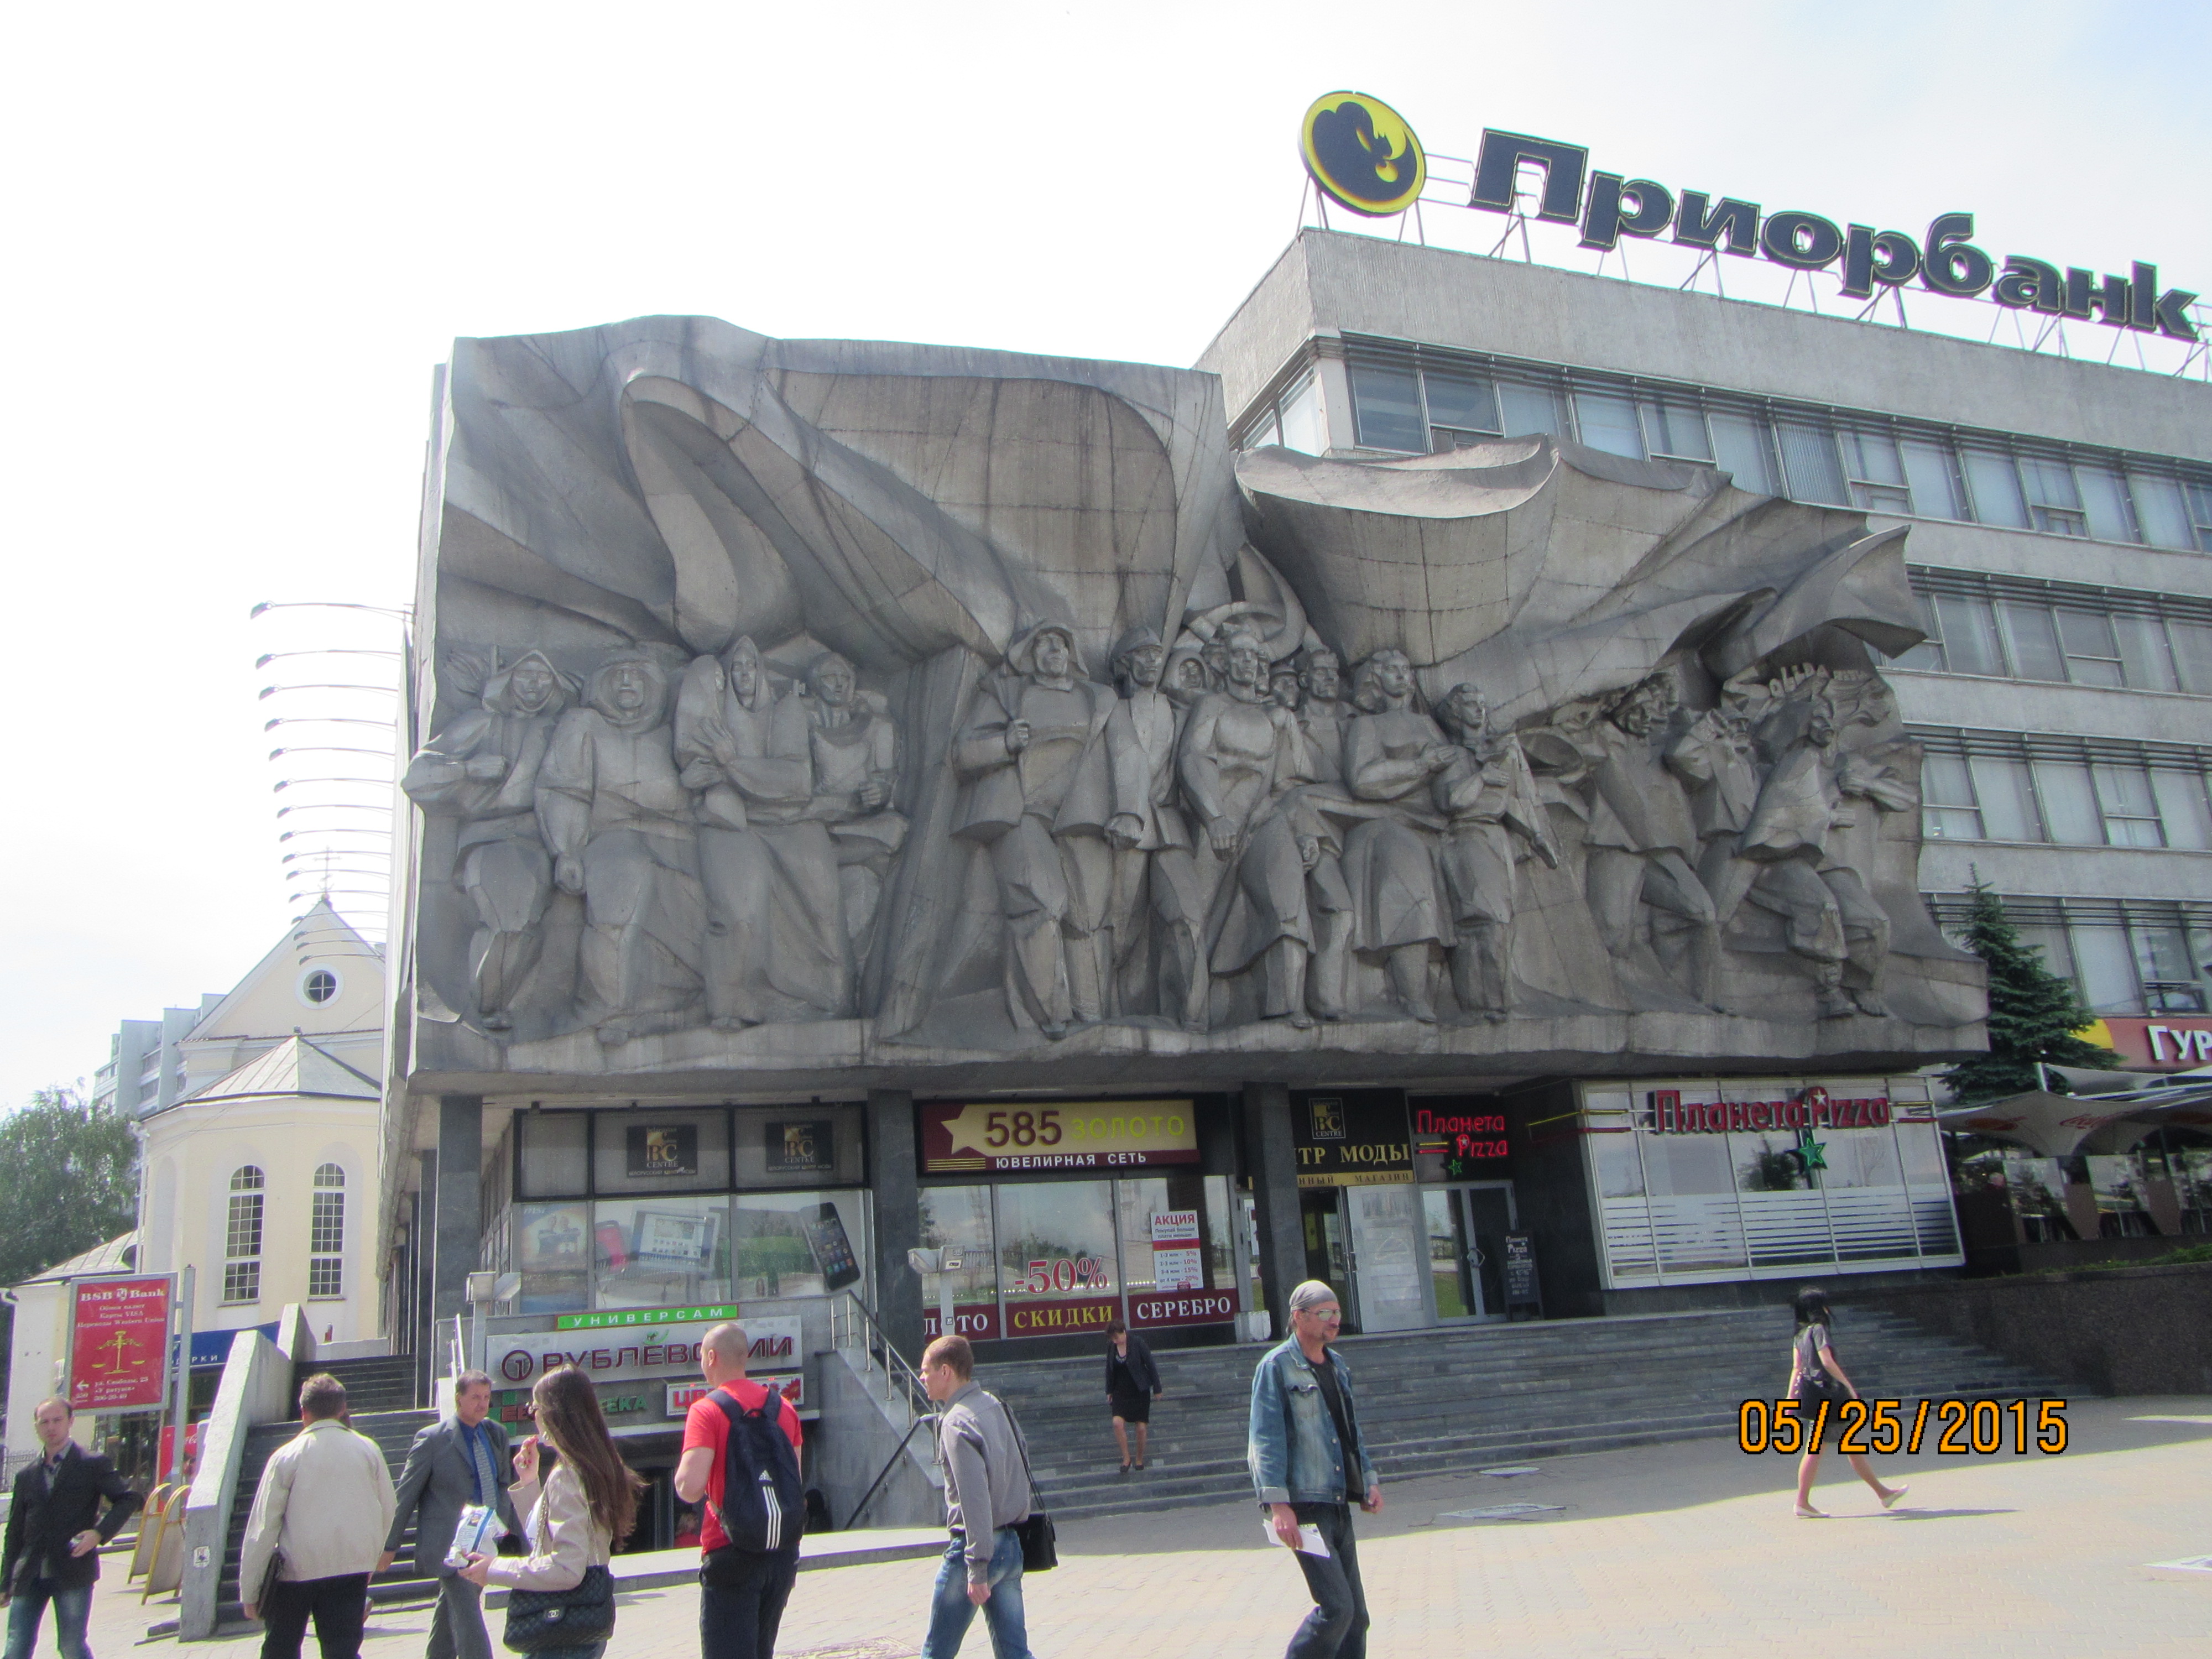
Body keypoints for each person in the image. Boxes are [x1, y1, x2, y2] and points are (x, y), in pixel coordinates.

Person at [457, 1367, 641, 1659]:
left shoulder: (568, 1474)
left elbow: (567, 1567)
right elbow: (548, 1535)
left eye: (535, 1408)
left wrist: (494, 1569)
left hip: (560, 1625)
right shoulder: (595, 1465)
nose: (534, 1416)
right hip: (582, 1620)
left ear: (554, 1413)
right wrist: (530, 1483)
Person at [1249, 1282, 1380, 1659]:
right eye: (1325, 1313)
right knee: (1337, 1609)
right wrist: (1278, 1505)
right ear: (1299, 1317)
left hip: (1337, 1502)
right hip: (1306, 1506)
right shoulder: (1276, 1367)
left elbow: (1350, 1432)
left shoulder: (1337, 1366)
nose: (1334, 1320)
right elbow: (1265, 1439)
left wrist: (1367, 1482)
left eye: (1336, 1312)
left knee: (1356, 1617)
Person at [238, 1374, 398, 1659]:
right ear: (342, 1408)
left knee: (280, 1650)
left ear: (303, 1412)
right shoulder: (367, 1449)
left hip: (294, 1572)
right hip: (351, 1567)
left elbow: (263, 1529)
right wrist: (372, 1557)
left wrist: (250, 1590)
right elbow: (388, 1508)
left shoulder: (286, 1457)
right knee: (343, 1651)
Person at [674, 1322, 805, 1659]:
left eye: (702, 1357)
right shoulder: (784, 1408)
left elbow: (690, 1488)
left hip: (729, 1551)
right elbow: (794, 1478)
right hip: (780, 1555)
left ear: (711, 1357)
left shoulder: (706, 1410)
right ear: (745, 1357)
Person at [385, 1369, 522, 1659]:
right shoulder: (433, 1439)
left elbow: (503, 1485)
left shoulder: (496, 1434)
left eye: (486, 1397)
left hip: (486, 1540)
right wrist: (389, 1545)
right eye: (475, 1398)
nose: (482, 1404)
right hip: (450, 1544)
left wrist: (512, 1534)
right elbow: (406, 1495)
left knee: (450, 1614)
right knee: (469, 1615)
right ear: (459, 1398)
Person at [917, 1335, 1034, 1659]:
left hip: (973, 1551)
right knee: (1016, 1654)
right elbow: (1022, 1464)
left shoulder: (956, 1421)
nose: (922, 1377)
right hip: (1010, 1544)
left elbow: (974, 1499)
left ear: (946, 1371)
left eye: (926, 1370)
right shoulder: (995, 1405)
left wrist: (978, 1567)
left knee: (936, 1653)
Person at [0, 1396, 139, 1659]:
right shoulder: (27, 1475)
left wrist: (99, 1534)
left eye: (57, 1420)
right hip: (30, 1572)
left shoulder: (91, 1464)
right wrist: (6, 1580)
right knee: (16, 1647)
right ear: (36, 1426)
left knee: (71, 1646)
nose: (51, 1427)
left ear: (70, 1422)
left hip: (73, 1569)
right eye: (44, 1422)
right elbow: (15, 1531)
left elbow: (129, 1499)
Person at [1788, 1287, 1907, 1518]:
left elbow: (1797, 1368)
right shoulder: (1819, 1330)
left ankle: (1882, 1493)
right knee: (1827, 1448)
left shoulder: (1800, 1335)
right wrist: (1849, 1386)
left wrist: (1790, 1399)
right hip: (1829, 1396)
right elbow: (1827, 1361)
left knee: (1841, 1446)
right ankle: (1802, 1502)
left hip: (1815, 1397)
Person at [1103, 1320, 1163, 1473]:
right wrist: (1109, 1390)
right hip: (1120, 1391)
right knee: (1117, 1423)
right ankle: (1126, 1458)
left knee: (1141, 1428)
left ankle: (1139, 1459)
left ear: (1123, 1332)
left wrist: (1157, 1388)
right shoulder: (1111, 1347)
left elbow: (1151, 1365)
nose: (1115, 1341)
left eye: (1116, 1337)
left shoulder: (1137, 1343)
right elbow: (1109, 1369)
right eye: (1112, 1339)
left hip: (1139, 1390)